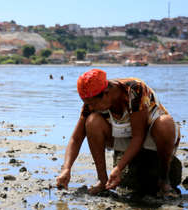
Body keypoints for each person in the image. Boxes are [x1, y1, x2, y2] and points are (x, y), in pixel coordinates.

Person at [56, 69, 180, 198]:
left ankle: (164, 180)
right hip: (124, 136)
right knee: (92, 121)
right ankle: (102, 181)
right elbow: (76, 138)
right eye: (88, 104)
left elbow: (139, 136)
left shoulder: (135, 90)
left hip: (151, 136)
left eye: (93, 103)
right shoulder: (91, 102)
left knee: (165, 123)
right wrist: (66, 169)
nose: (91, 107)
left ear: (106, 93)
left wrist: (119, 168)